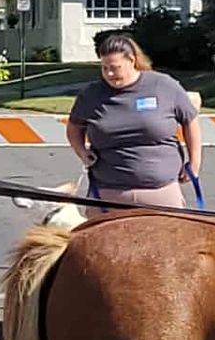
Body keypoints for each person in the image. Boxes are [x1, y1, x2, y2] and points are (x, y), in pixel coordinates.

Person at [65, 32, 203, 210]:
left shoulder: (164, 85)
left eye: (115, 67)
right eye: (104, 68)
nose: (109, 73)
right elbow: (74, 128)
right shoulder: (91, 95)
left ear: (131, 60)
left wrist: (194, 163)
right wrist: (82, 152)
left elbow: (190, 122)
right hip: (107, 190)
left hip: (161, 191)